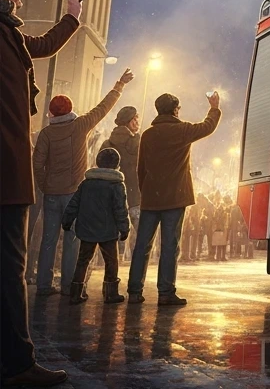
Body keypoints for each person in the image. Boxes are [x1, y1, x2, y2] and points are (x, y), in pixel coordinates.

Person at [0, 0, 82, 389]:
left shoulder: (9, 33)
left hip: (11, 172)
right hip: (6, 175)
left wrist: (71, 18)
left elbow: (41, 46)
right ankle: (16, 364)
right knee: (10, 269)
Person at [31, 70, 132, 295]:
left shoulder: (46, 134)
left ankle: (44, 284)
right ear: (70, 110)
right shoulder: (80, 126)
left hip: (51, 193)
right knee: (72, 240)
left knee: (48, 239)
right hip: (74, 193)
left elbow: (37, 163)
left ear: (51, 112)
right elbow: (103, 108)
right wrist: (119, 85)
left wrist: (43, 184)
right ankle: (69, 285)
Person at [127, 91, 221, 306]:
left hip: (151, 197)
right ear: (175, 109)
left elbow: (140, 168)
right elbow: (207, 127)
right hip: (175, 198)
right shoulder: (183, 130)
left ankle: (134, 290)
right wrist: (214, 108)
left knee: (142, 245)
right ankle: (165, 292)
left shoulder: (148, 135)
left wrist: (147, 191)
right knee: (170, 245)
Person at [60, 147, 130, 305]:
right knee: (111, 261)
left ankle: (76, 293)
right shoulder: (116, 185)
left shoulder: (86, 183)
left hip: (86, 229)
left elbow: (74, 204)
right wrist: (124, 228)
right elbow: (121, 209)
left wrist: (67, 220)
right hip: (108, 232)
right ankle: (110, 293)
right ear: (117, 165)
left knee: (83, 260)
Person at [106, 106, 142, 259]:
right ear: (128, 122)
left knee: (110, 237)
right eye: (134, 119)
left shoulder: (108, 143)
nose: (137, 122)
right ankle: (137, 271)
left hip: (113, 196)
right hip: (135, 197)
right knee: (142, 238)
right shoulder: (138, 142)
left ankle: (111, 272)